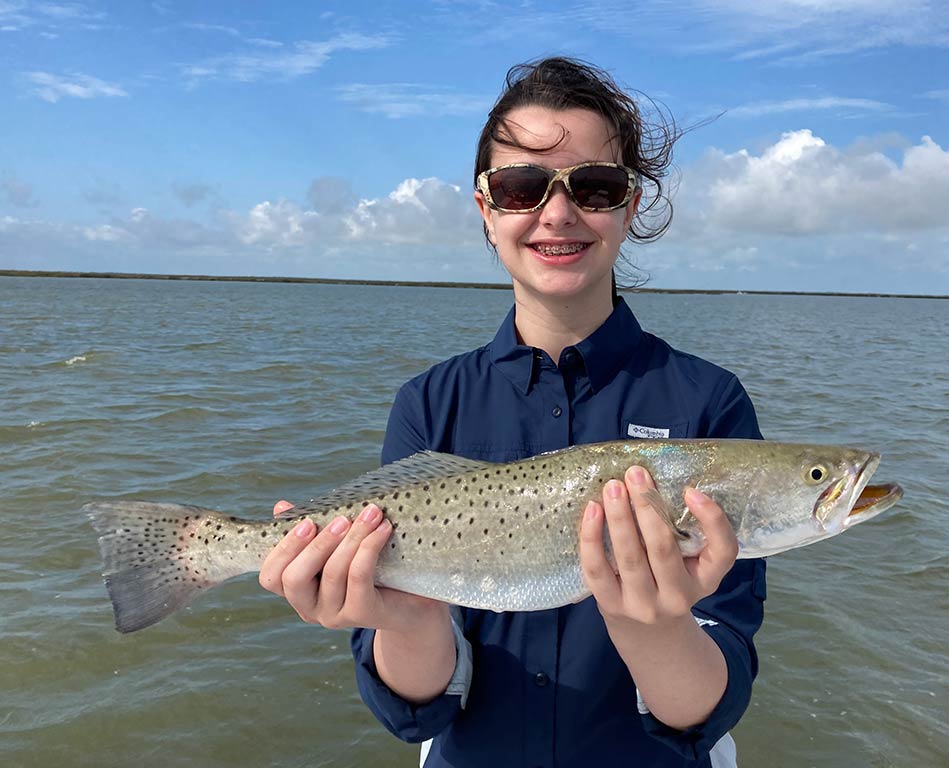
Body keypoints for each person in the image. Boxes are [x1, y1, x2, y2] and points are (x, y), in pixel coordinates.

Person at [258, 57, 765, 768]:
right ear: (486, 211)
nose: (557, 213)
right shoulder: (429, 403)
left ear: (630, 207)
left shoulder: (709, 402)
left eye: (594, 186)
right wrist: (407, 617)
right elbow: (421, 709)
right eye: (522, 186)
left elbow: (706, 710)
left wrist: (649, 625)